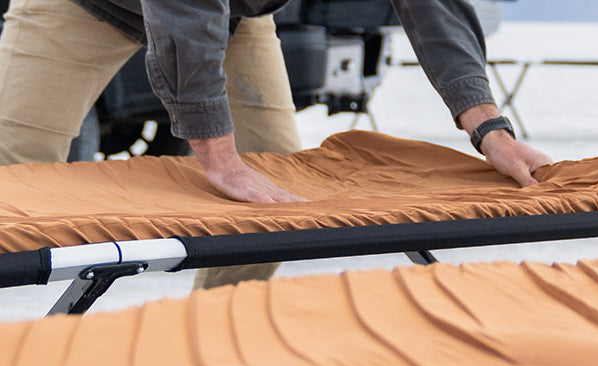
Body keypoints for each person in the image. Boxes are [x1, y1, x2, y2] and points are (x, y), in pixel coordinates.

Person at [0, 0, 551, 289]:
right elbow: (183, 13)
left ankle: (203, 350)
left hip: (233, 14)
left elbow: (431, 4)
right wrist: (218, 157)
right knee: (11, 172)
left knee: (277, 209)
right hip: (83, 5)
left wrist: (488, 129)